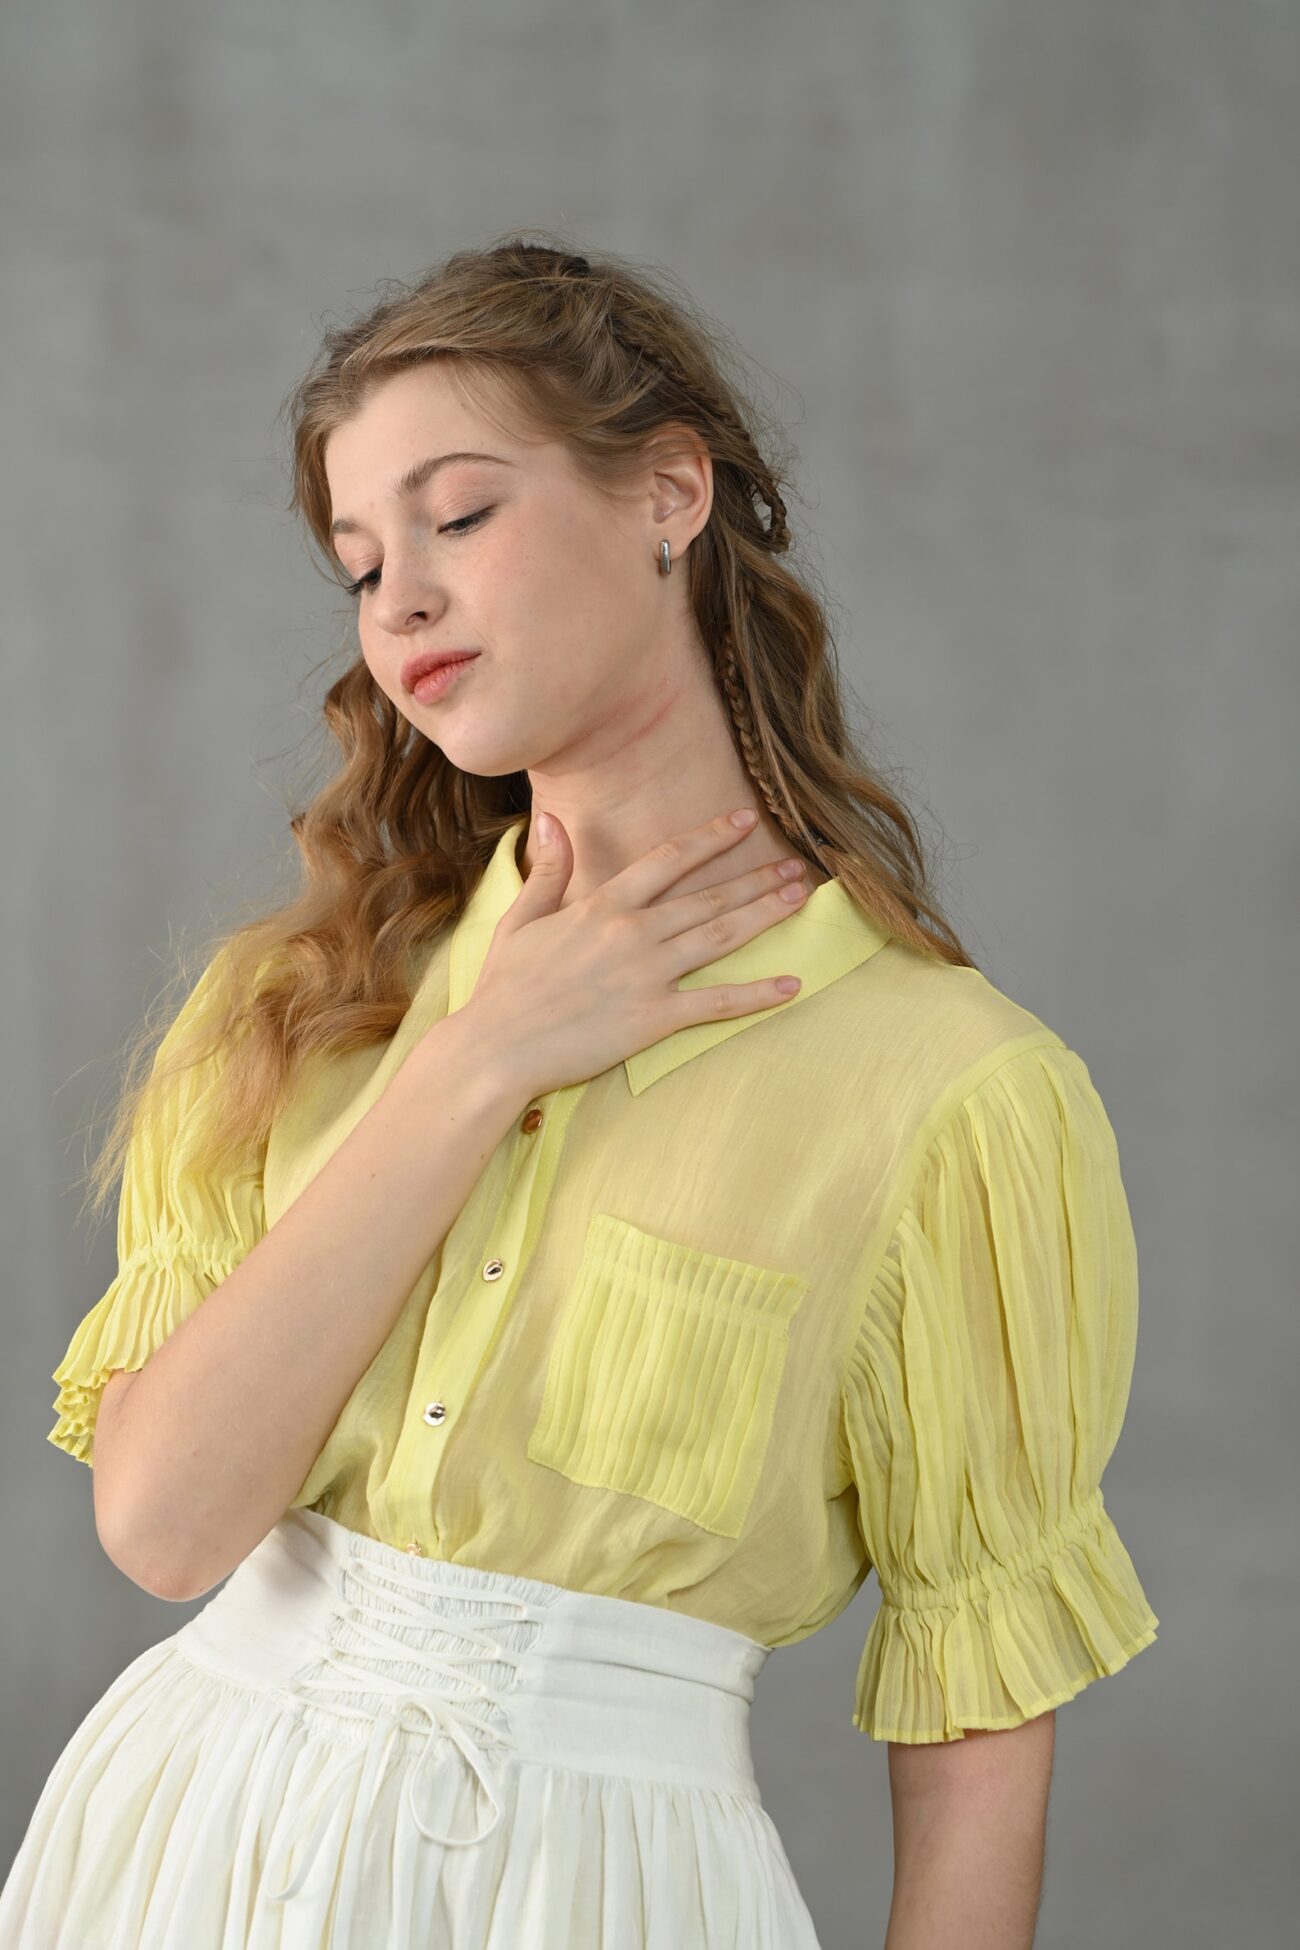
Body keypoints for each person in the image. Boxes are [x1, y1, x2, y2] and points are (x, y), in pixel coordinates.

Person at [0, 234, 1158, 1950]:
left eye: (459, 516)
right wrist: (480, 1056)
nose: (399, 602)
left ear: (668, 493)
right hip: (189, 1849)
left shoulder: (956, 1094)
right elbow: (166, 1529)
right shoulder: (300, 1008)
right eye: (359, 560)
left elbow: (980, 1732)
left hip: (598, 1893)